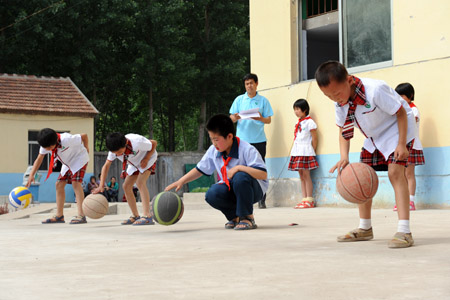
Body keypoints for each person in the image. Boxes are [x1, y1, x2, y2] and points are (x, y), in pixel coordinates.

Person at [315, 61, 417, 248]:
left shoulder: (375, 90)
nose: (334, 99)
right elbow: (343, 130)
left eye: (337, 93)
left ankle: (404, 231)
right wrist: (344, 157)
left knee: (396, 173)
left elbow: (401, 113)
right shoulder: (340, 104)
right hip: (374, 135)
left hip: (398, 128)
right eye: (328, 96)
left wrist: (402, 144)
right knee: (363, 175)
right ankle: (365, 228)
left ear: (349, 80)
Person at [165, 114, 268, 230]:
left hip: (253, 189)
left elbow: (263, 174)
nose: (214, 143)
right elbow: (200, 170)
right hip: (232, 188)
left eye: (216, 139)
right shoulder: (213, 150)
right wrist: (181, 181)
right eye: (211, 139)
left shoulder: (247, 149)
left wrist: (239, 168)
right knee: (212, 194)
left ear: (229, 136)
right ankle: (234, 217)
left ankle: (247, 218)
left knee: (240, 176)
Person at [25, 128, 89, 224]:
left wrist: (86, 148)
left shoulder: (67, 139)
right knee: (59, 184)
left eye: (48, 148)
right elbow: (39, 159)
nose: (46, 150)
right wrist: (31, 174)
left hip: (79, 158)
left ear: (53, 143)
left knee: (75, 183)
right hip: (67, 163)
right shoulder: (45, 145)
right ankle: (59, 216)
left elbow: (84, 135)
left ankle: (81, 215)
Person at [93, 133, 157, 225]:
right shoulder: (114, 150)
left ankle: (147, 216)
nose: (118, 154)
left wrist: (146, 158)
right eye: (116, 153)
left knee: (140, 182)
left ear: (126, 143)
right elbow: (106, 166)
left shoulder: (137, 142)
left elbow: (154, 143)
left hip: (148, 159)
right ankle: (135, 215)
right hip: (134, 163)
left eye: (119, 152)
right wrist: (101, 185)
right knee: (126, 186)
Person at [230, 73, 273, 208]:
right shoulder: (239, 100)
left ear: (256, 84)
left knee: (260, 168)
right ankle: (241, 198)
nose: (249, 86)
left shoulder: (263, 101)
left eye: (251, 83)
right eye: (247, 83)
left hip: (259, 140)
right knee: (240, 168)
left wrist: (259, 117)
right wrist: (235, 117)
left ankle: (262, 199)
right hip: (241, 141)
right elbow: (231, 118)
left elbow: (268, 120)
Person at [393, 83, 425, 211]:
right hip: (401, 145)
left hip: (412, 145)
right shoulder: (398, 110)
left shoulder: (413, 110)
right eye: (397, 95)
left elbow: (410, 124)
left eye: (402, 95)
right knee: (400, 174)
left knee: (409, 173)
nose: (399, 98)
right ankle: (402, 201)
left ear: (410, 96)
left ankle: (411, 201)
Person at [288, 99, 319, 209]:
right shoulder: (299, 122)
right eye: (294, 109)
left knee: (306, 175)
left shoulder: (310, 122)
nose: (296, 111)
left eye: (298, 109)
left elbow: (314, 137)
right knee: (301, 175)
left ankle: (310, 199)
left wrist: (312, 150)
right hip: (297, 151)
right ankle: (304, 199)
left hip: (306, 151)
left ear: (304, 109)